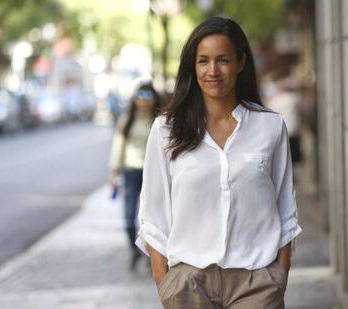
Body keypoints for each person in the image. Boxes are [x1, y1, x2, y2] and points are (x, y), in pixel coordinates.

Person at [135, 17, 302, 308]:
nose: (213, 71)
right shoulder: (166, 130)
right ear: (193, 66)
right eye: (203, 61)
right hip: (188, 285)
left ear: (241, 62)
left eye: (223, 60)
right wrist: (167, 284)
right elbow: (153, 215)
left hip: (257, 283)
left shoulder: (270, 127)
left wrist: (278, 275)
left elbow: (285, 209)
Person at [109, 82, 162, 271]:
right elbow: (118, 145)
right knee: (129, 215)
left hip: (153, 173)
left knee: (152, 217)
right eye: (141, 96)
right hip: (131, 171)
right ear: (135, 99)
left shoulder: (159, 120)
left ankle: (152, 254)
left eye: (148, 97)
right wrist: (114, 171)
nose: (144, 101)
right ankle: (133, 249)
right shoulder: (127, 119)